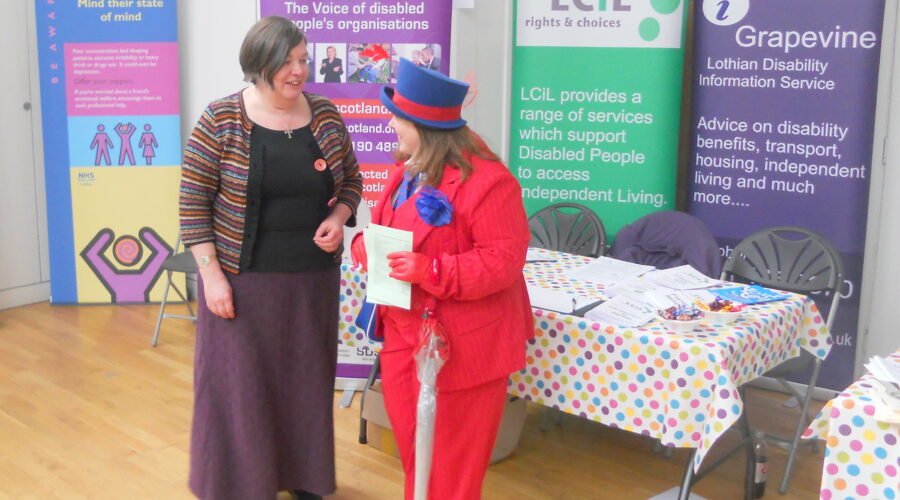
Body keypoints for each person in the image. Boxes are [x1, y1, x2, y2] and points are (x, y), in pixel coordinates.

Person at [179, 16, 362, 500]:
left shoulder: (323, 114)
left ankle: (304, 481)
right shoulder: (220, 119)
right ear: (259, 64)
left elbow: (352, 183)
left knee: (305, 386)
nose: (299, 71)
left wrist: (340, 216)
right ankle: (240, 485)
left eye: (303, 60)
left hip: (311, 282)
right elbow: (192, 205)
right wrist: (212, 278)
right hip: (242, 284)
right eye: (288, 62)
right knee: (240, 391)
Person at [350, 58, 533, 500]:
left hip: (462, 351)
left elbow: (504, 261)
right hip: (403, 340)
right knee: (419, 456)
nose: (391, 122)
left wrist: (430, 270)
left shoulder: (489, 182)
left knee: (452, 470)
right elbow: (380, 234)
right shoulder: (402, 173)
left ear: (422, 126)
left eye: (398, 116)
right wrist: (363, 248)